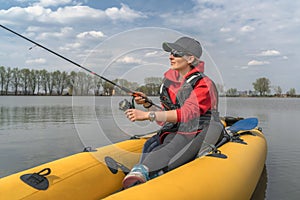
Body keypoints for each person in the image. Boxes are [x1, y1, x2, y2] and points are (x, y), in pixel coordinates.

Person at [122, 36, 221, 189]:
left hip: (201, 130)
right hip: (178, 129)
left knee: (172, 145)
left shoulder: (204, 84)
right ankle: (142, 178)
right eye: (170, 53)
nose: (171, 56)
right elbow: (165, 119)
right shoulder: (168, 84)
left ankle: (145, 174)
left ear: (190, 58)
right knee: (150, 145)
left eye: (176, 53)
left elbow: (186, 113)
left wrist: (148, 115)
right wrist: (148, 105)